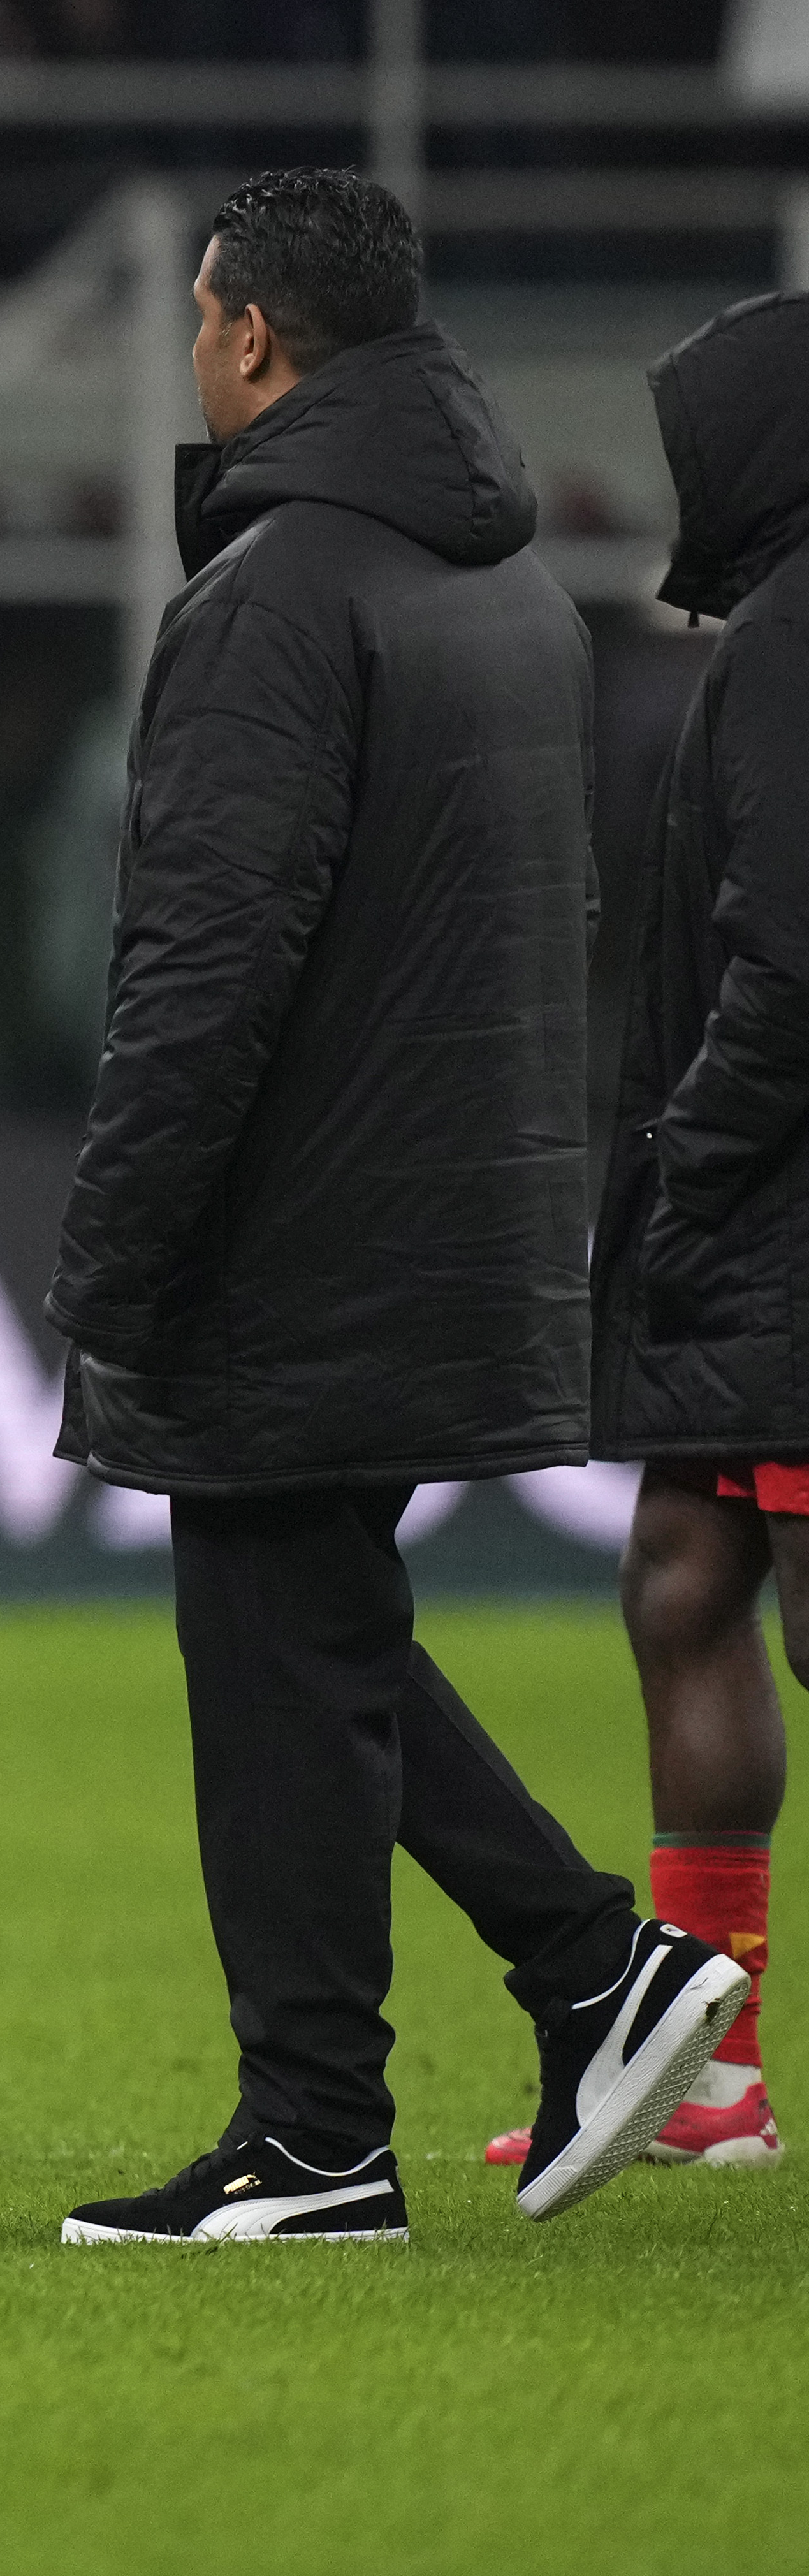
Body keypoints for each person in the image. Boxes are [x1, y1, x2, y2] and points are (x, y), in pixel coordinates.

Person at [47, 168, 746, 2245]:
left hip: (294, 1221)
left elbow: (205, 955)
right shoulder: (504, 585)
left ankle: (314, 2129)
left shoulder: (273, 590)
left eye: (193, 321)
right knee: (316, 1630)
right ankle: (581, 1973)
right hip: (457, 1197)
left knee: (272, 1646)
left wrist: (114, 1246)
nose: (188, 355)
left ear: (249, 338)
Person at [502, 287, 809, 2178]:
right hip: (747, 1228)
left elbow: (785, 951)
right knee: (682, 1589)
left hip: (770, 1211)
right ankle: (708, 2065)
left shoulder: (788, 632)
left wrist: (694, 1155)